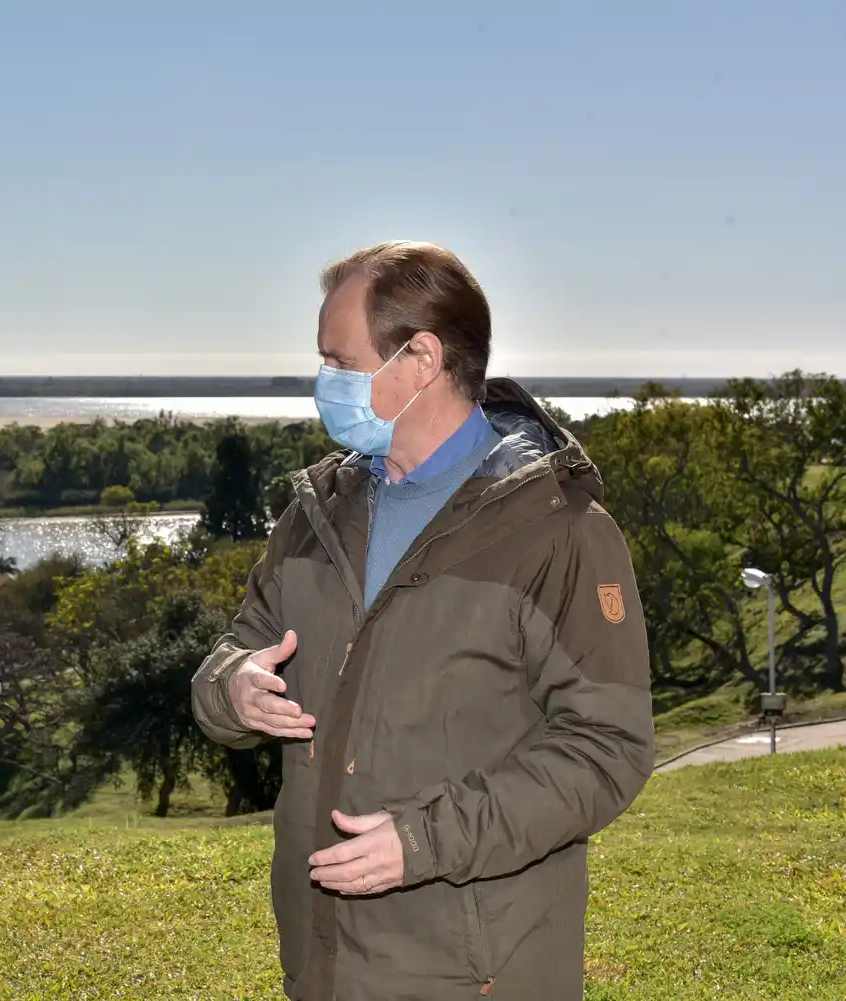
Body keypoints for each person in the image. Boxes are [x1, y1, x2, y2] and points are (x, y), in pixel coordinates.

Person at [191, 241, 654, 1000]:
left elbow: (607, 749)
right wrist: (231, 685)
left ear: (421, 358)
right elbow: (237, 647)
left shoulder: (557, 530)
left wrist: (425, 840)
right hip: (324, 965)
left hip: (474, 973)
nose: (323, 383)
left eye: (339, 361)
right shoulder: (314, 517)